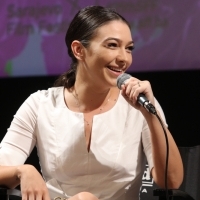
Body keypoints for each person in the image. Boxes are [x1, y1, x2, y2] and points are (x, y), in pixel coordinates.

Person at [0, 5, 183, 200]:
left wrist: (149, 113)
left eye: (129, 48)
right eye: (112, 45)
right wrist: (24, 171)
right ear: (79, 50)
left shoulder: (140, 104)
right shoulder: (40, 104)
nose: (124, 58)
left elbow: (171, 181)